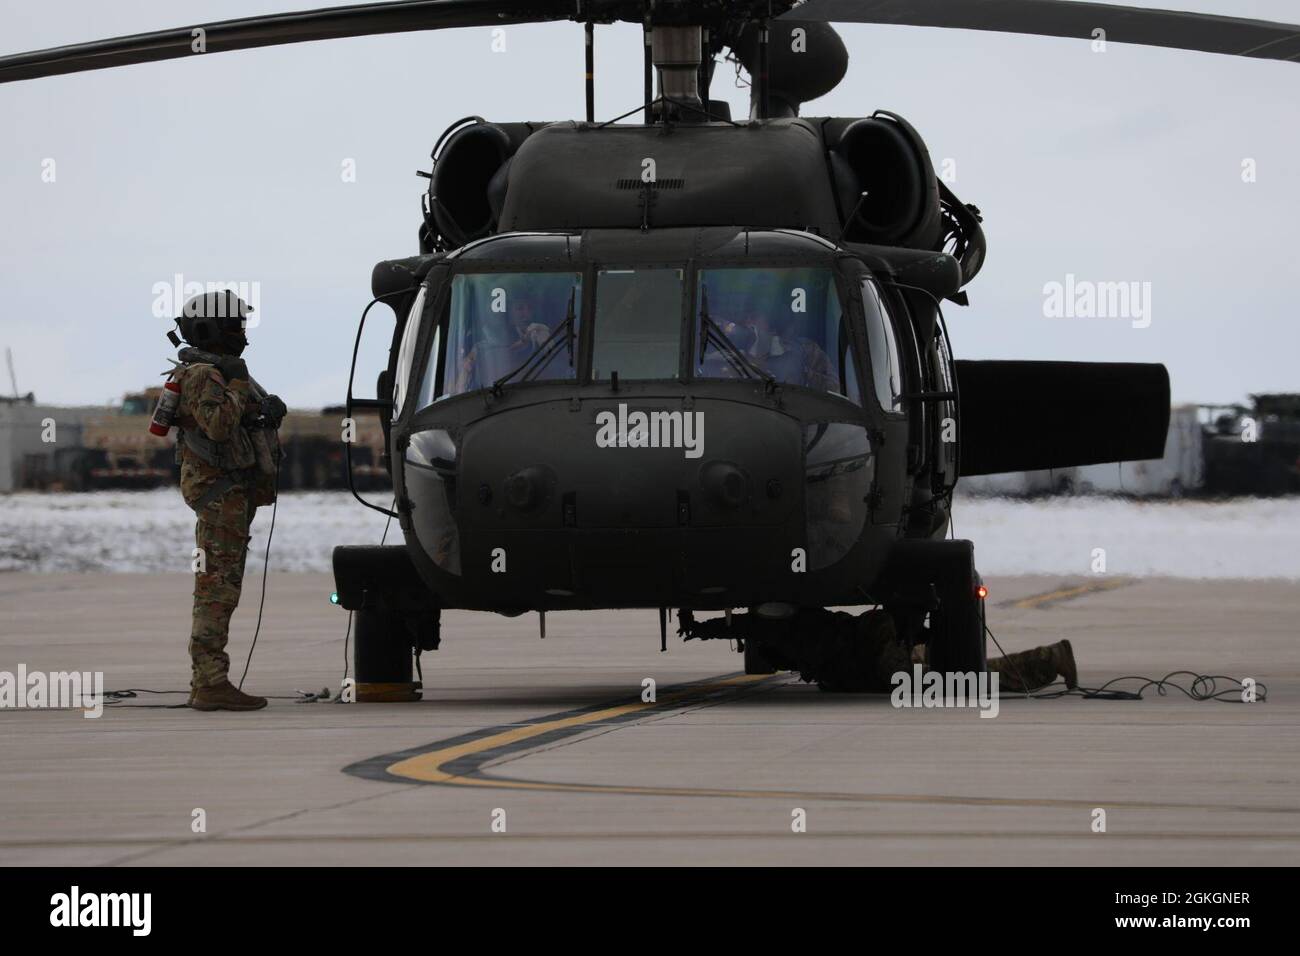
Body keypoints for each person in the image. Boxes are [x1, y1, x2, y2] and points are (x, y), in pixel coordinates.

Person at [169, 291, 285, 711]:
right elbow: (218, 427)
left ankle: (209, 679)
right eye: (235, 326)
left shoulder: (219, 371)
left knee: (222, 586)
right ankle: (210, 681)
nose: (243, 336)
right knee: (217, 588)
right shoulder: (205, 374)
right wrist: (237, 384)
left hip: (231, 494)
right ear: (212, 329)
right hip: (220, 494)